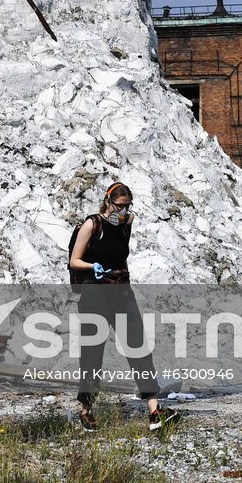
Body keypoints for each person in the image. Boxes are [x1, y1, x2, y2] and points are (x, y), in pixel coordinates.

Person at [67, 181, 179, 431]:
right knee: (92, 353)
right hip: (95, 294)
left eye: (127, 206)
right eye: (119, 206)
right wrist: (91, 267)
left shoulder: (127, 224)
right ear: (108, 202)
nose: (123, 211)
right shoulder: (92, 224)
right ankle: (86, 411)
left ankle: (154, 411)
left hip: (122, 291)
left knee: (138, 348)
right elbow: (75, 260)